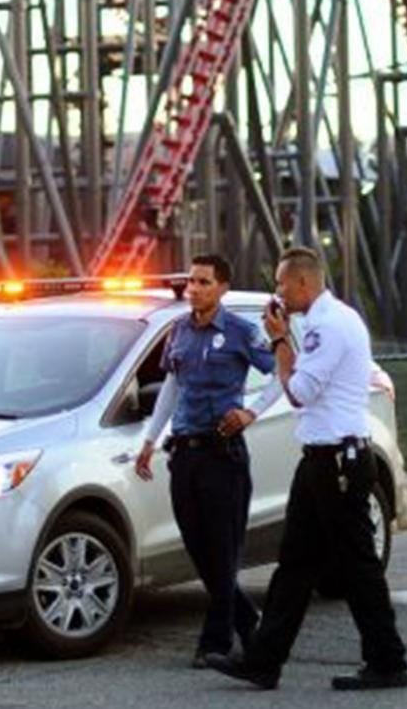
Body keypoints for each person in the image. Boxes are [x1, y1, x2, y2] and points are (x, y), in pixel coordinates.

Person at [207, 247, 407, 691]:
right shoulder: (329, 321)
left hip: (336, 460)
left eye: (282, 283)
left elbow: (299, 391)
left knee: (358, 566)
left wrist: (281, 341)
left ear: (303, 284)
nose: (277, 291)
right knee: (295, 564)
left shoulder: (326, 326)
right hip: (321, 459)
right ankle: (264, 659)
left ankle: (388, 660)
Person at [134, 253, 282, 668]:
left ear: (222, 288)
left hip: (223, 454)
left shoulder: (239, 331)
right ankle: (247, 618)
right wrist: (150, 439)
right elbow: (172, 386)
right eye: (190, 282)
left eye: (202, 282)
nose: (192, 289)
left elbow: (281, 373)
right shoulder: (179, 330)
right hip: (184, 452)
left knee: (223, 548)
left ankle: (215, 641)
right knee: (198, 547)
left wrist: (251, 412)